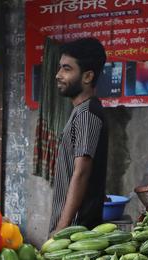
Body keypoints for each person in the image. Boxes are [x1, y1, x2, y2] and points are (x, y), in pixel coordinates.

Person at [49, 38, 109, 237]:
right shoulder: (80, 111)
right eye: (60, 68)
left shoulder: (87, 114)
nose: (58, 75)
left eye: (67, 69)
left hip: (76, 230)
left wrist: (62, 229)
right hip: (72, 229)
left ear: (88, 76)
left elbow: (81, 172)